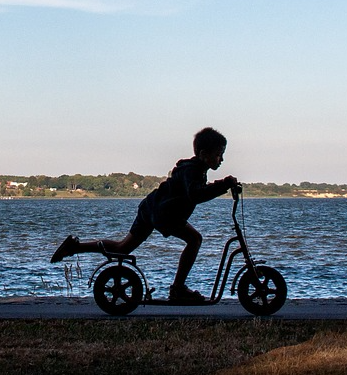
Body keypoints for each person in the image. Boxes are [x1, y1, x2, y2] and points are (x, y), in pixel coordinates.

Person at [49, 127, 238, 304]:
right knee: (195, 239)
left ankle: (75, 247)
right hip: (163, 213)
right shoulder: (192, 170)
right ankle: (178, 289)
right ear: (204, 154)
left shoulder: (194, 168)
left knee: (123, 248)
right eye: (218, 154)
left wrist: (222, 185)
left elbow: (197, 191)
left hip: (151, 207)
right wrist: (223, 186)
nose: (221, 159)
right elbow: (196, 194)